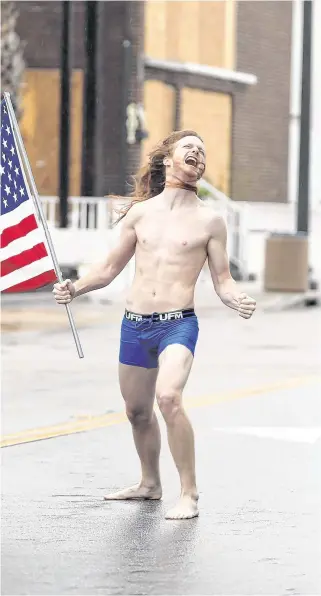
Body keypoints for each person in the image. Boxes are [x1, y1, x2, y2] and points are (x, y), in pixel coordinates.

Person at [53, 130, 256, 520]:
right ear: (168, 161)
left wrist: (237, 299)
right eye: (188, 148)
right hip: (134, 325)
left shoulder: (210, 221)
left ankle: (189, 494)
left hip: (177, 324)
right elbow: (110, 268)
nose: (197, 153)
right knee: (137, 412)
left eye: (202, 149)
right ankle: (149, 484)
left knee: (169, 397)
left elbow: (223, 279)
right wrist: (74, 288)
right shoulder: (140, 214)